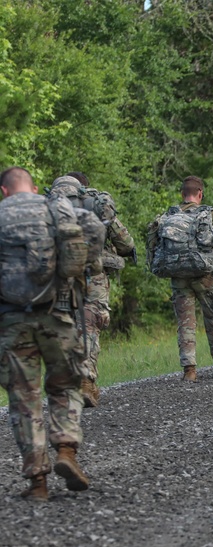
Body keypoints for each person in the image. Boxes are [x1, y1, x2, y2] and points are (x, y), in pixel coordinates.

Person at [0, 167, 103, 501]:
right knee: (65, 385)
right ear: (33, 186)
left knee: (24, 399)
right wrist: (88, 266)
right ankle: (66, 451)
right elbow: (94, 228)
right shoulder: (54, 207)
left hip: (11, 320)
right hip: (58, 313)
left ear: (4, 191)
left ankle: (38, 483)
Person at [47, 173, 135, 407]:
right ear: (83, 189)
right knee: (90, 322)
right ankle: (85, 382)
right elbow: (126, 243)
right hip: (91, 274)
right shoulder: (94, 204)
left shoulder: (45, 207)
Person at [146, 176, 213, 381]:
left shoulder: (167, 216)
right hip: (204, 275)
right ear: (200, 193)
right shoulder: (209, 214)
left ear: (182, 194)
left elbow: (153, 243)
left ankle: (189, 371)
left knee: (185, 322)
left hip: (178, 276)